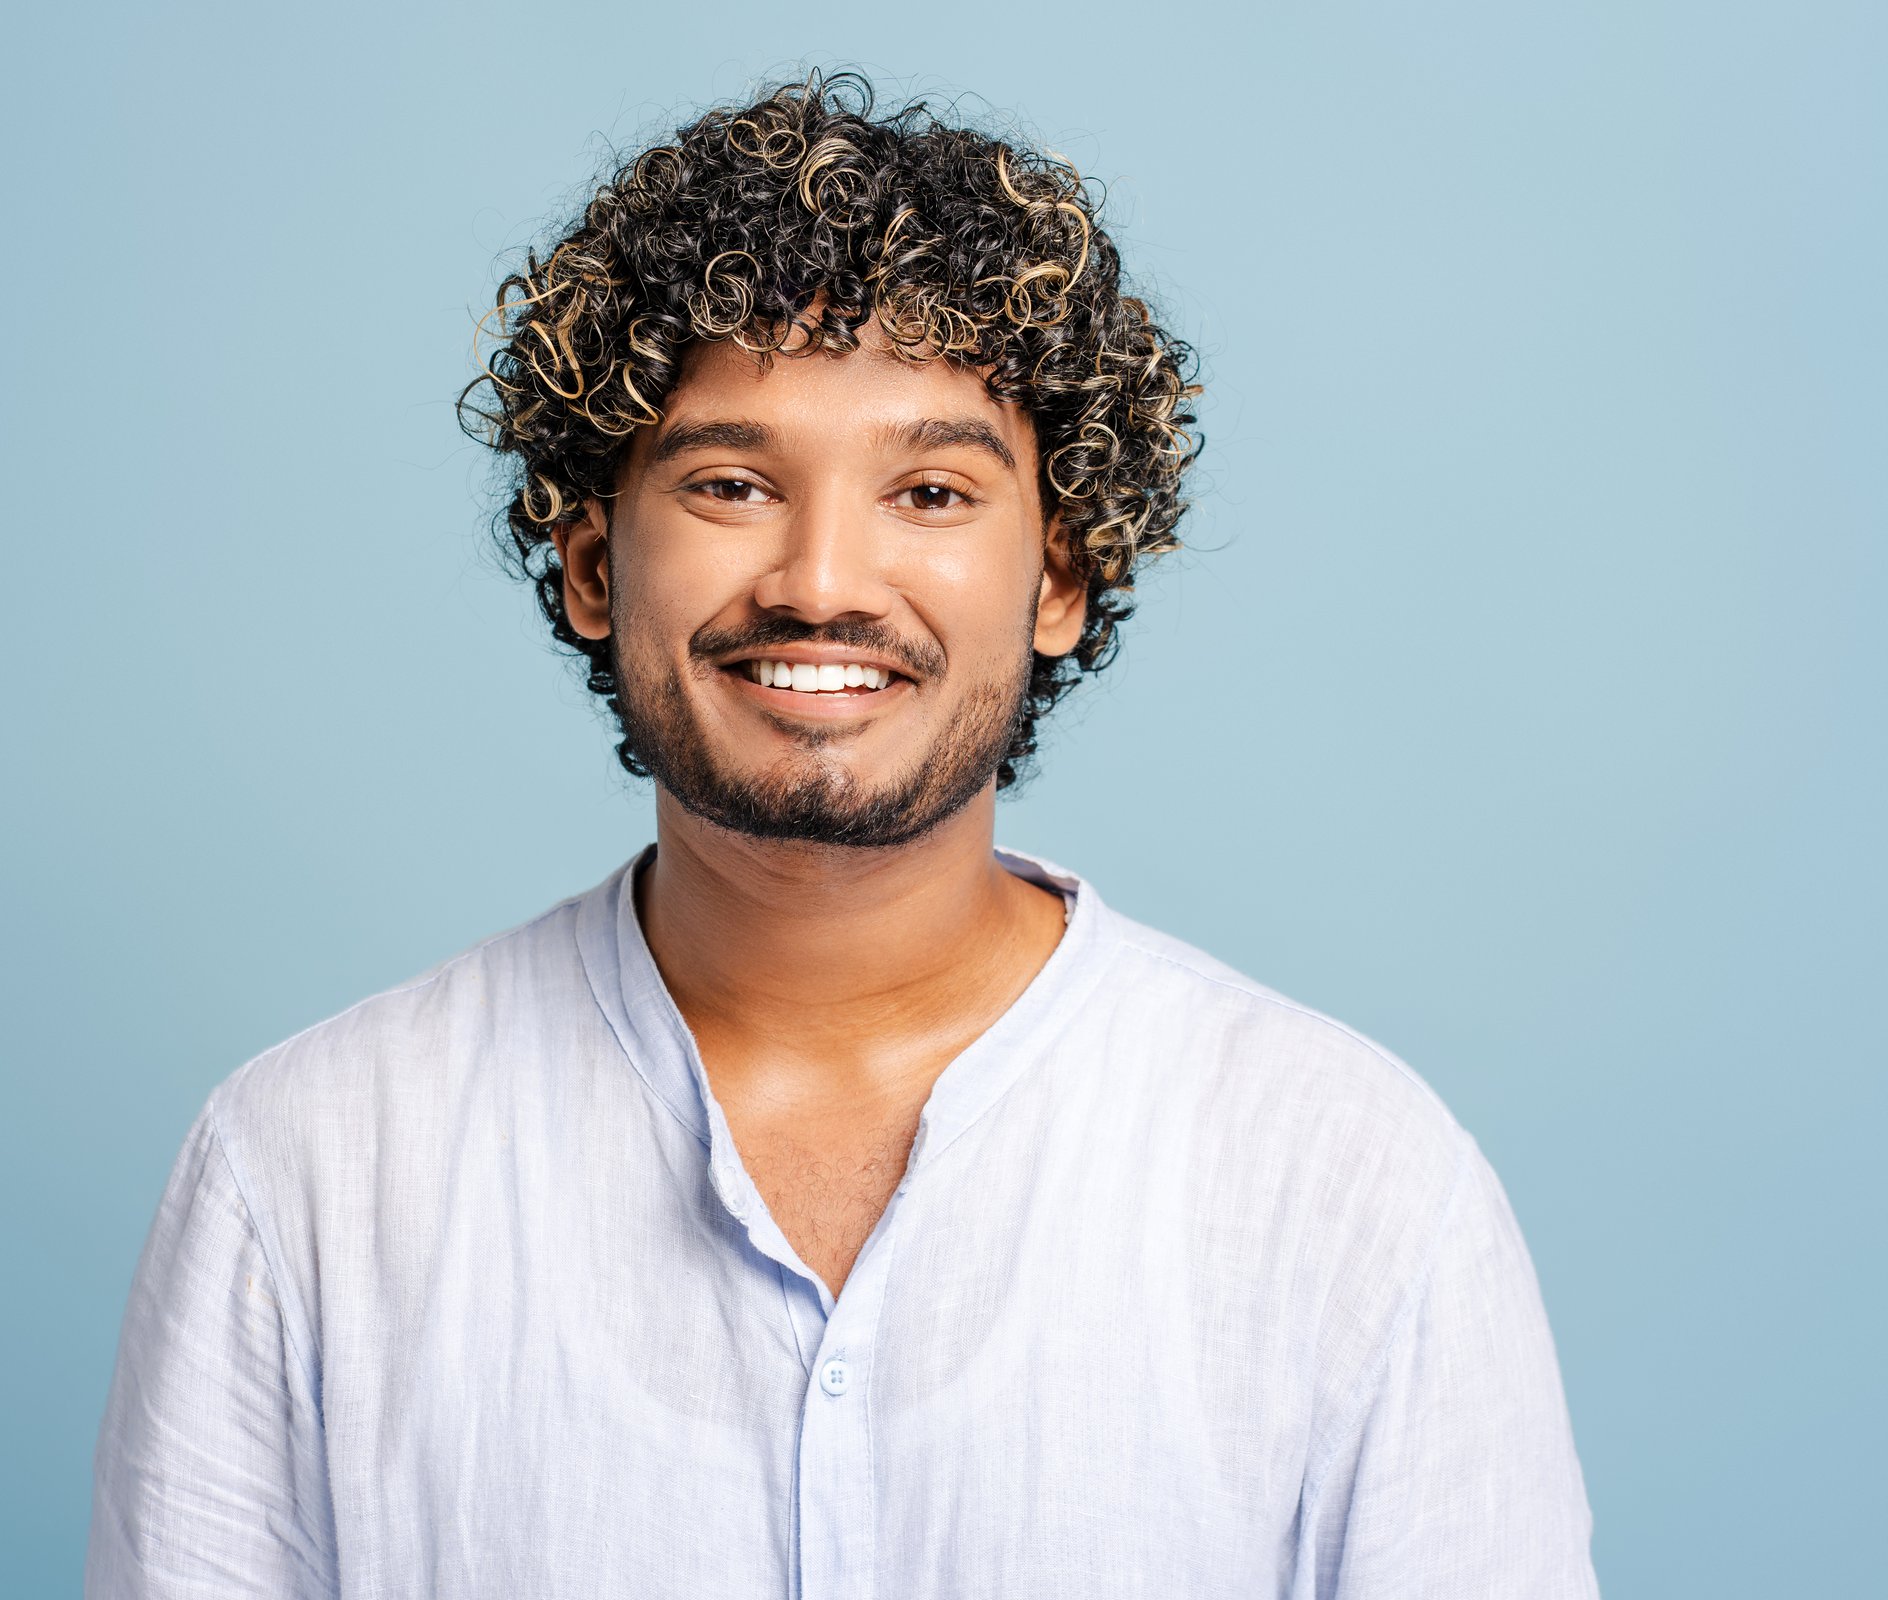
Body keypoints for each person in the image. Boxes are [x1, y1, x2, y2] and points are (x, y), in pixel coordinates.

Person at [87, 72, 1597, 1599]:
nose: (822, 580)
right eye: (733, 483)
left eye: (931, 491)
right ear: (596, 566)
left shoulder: (1351, 1187)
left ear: (1059, 576)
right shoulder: (306, 1177)